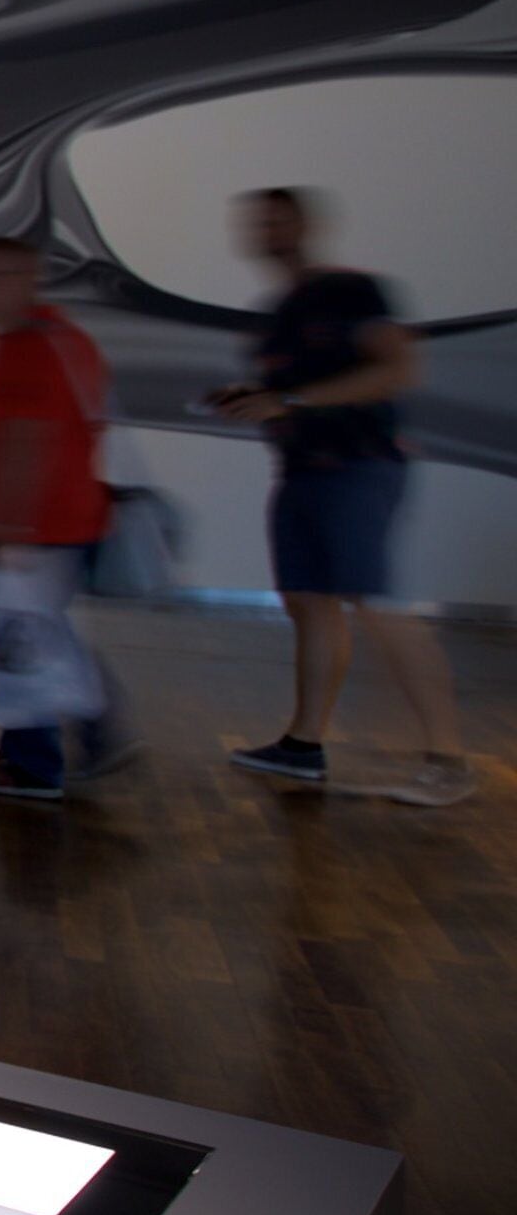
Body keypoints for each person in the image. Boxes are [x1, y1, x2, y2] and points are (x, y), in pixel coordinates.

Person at [207, 188, 471, 805]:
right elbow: (293, 388)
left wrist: (290, 400)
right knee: (308, 603)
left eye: (277, 219)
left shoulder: (353, 291)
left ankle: (449, 760)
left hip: (357, 467)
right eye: (256, 222)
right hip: (298, 473)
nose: (266, 231)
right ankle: (303, 746)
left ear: (306, 225)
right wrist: (251, 395)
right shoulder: (278, 312)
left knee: (372, 602)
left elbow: (397, 370)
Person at [0, 237, 124, 802]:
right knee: (37, 633)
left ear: (25, 277)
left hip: (35, 531)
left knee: (17, 643)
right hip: (61, 522)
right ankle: (88, 732)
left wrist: (5, 527)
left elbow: (27, 440)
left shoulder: (29, 348)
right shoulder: (63, 339)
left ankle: (32, 766)